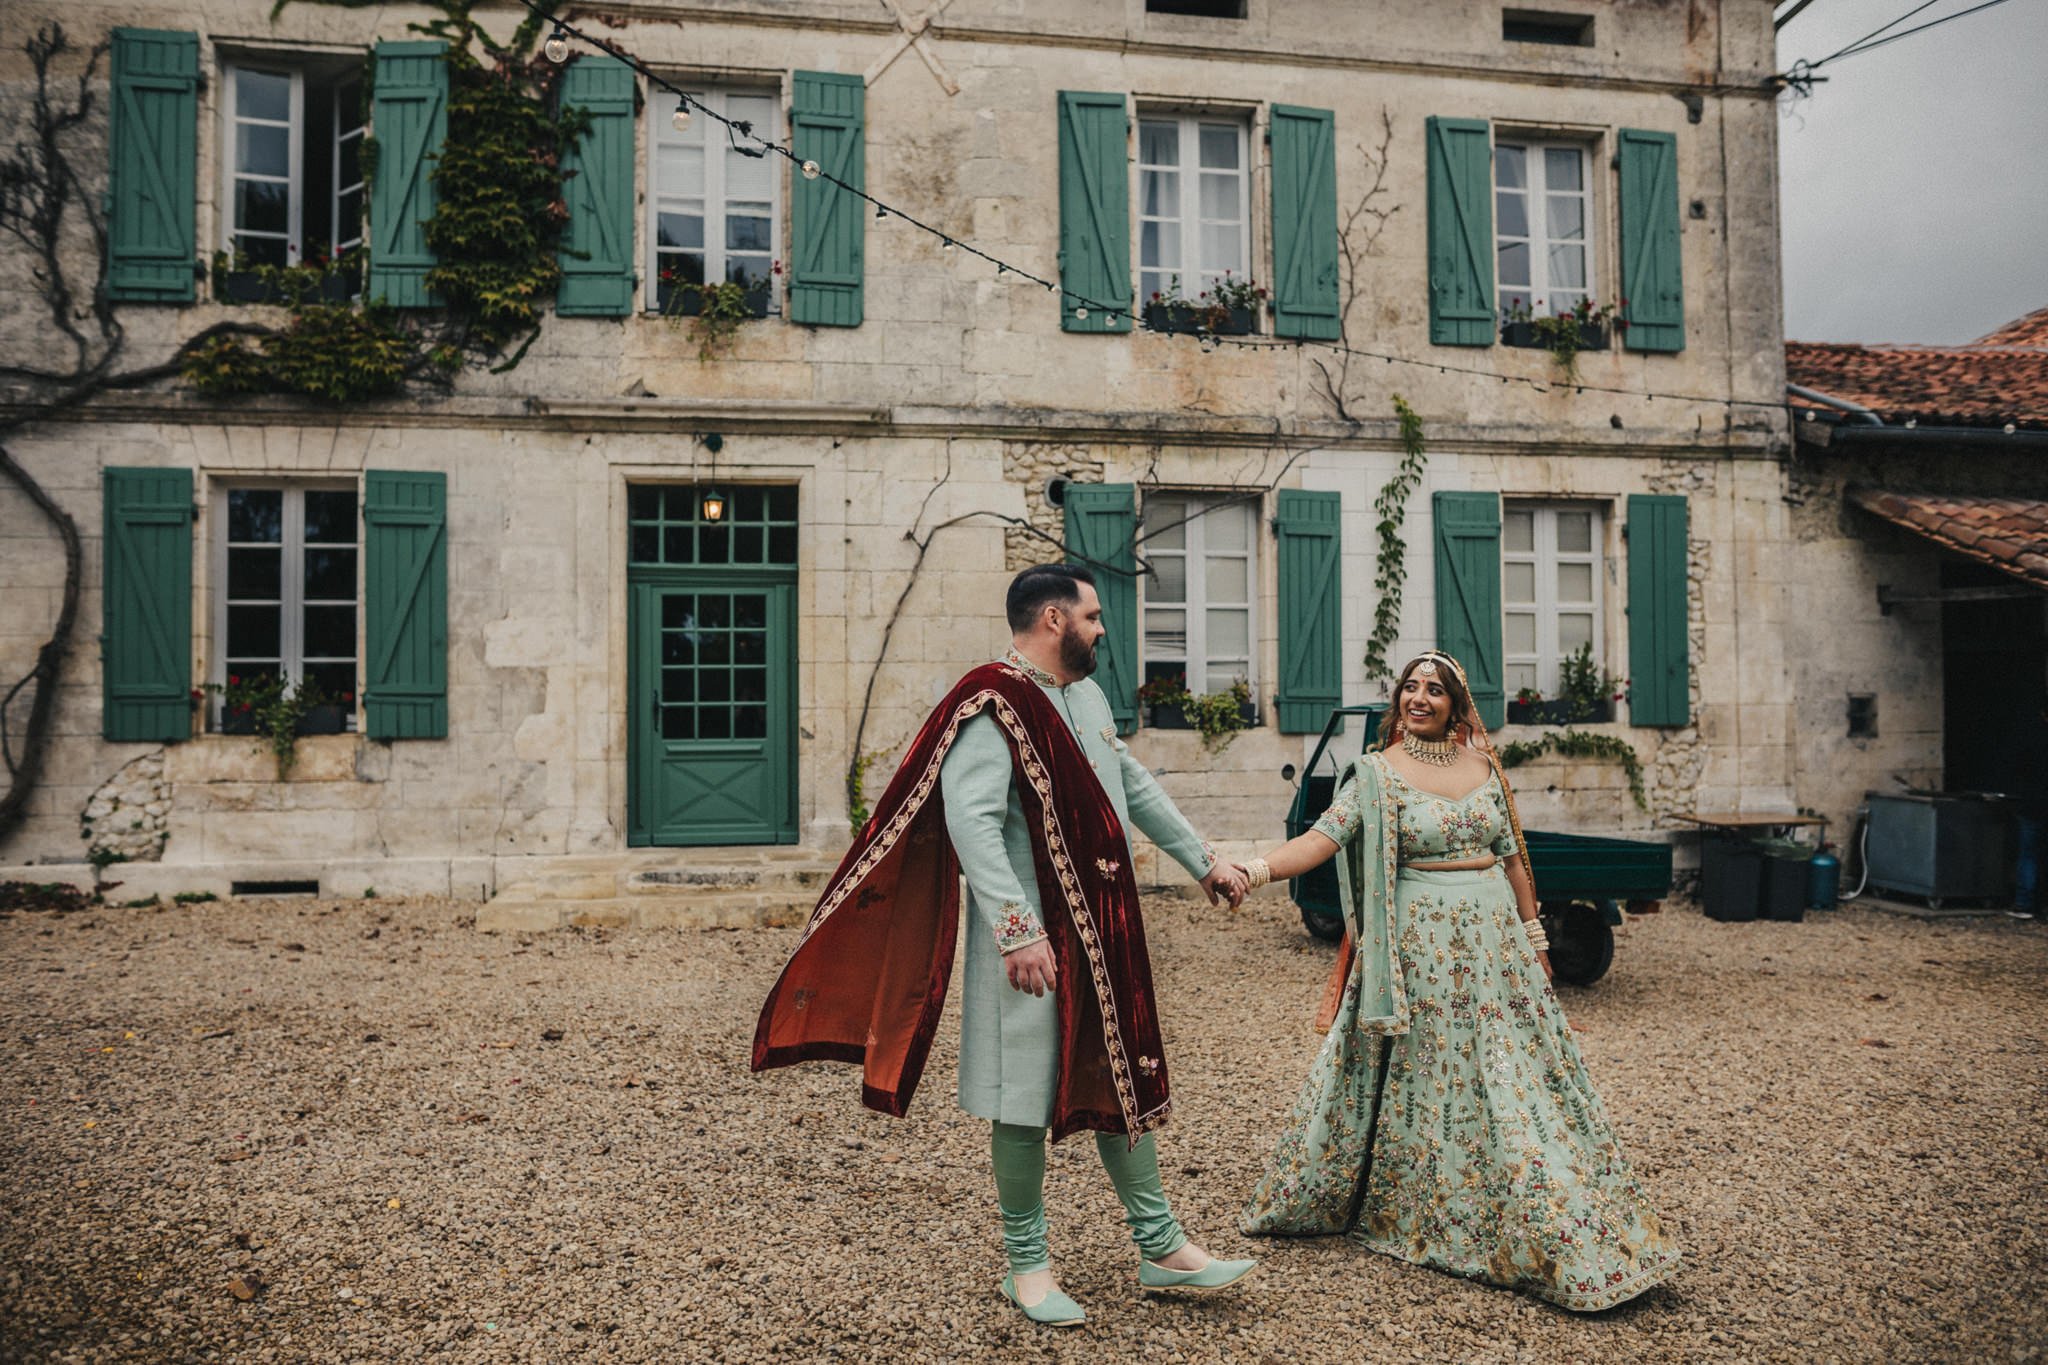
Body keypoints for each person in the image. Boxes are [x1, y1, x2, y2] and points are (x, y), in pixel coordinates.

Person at [755, 564, 1255, 1328]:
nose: (1102, 629)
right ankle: (1026, 1266)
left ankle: (1161, 1246)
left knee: (1119, 1078)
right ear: (1054, 619)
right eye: (1092, 616)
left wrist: (1205, 858)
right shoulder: (993, 703)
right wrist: (1017, 931)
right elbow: (972, 821)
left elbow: (1131, 781)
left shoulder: (1083, 696)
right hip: (1037, 942)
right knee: (1021, 1099)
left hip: (1107, 930)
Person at [1235, 650, 1680, 1312]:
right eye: (1409, 687)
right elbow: (1323, 839)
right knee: (1436, 1076)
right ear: (1399, 700)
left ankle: (1543, 1198)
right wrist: (1255, 869)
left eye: (1433, 689)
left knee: (1511, 1074)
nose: (1419, 697)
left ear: (1455, 703)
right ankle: (1432, 1201)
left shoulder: (1483, 766)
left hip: (1497, 948)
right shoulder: (1377, 775)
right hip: (1423, 952)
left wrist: (1535, 941)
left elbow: (1514, 859)